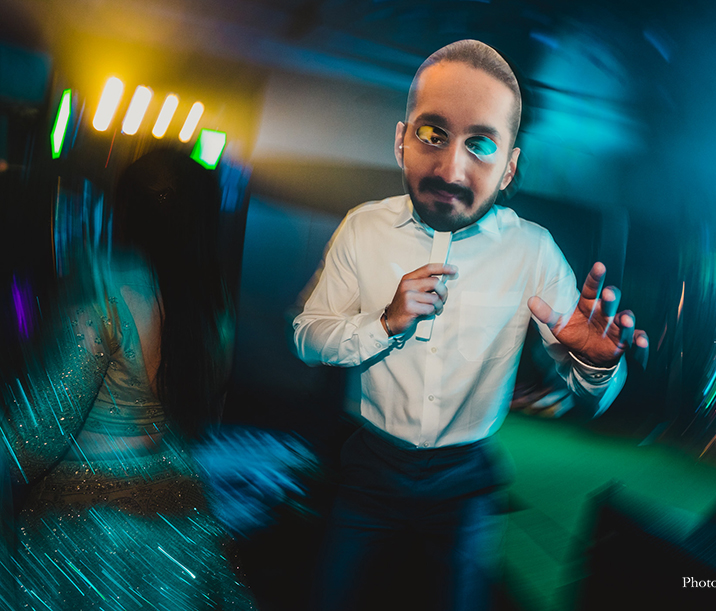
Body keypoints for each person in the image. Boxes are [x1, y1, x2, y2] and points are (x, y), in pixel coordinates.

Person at [293, 40, 648, 610]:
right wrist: (383, 323)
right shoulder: (362, 228)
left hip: (462, 483)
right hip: (367, 470)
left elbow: (592, 398)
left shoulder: (533, 250)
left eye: (480, 144)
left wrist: (596, 364)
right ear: (401, 141)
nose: (451, 168)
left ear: (509, 168)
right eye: (432, 134)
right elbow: (306, 338)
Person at [1, 149, 256, 609]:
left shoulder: (104, 286)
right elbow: (204, 408)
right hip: (177, 523)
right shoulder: (213, 301)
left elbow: (37, 436)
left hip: (91, 535)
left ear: (125, 209)